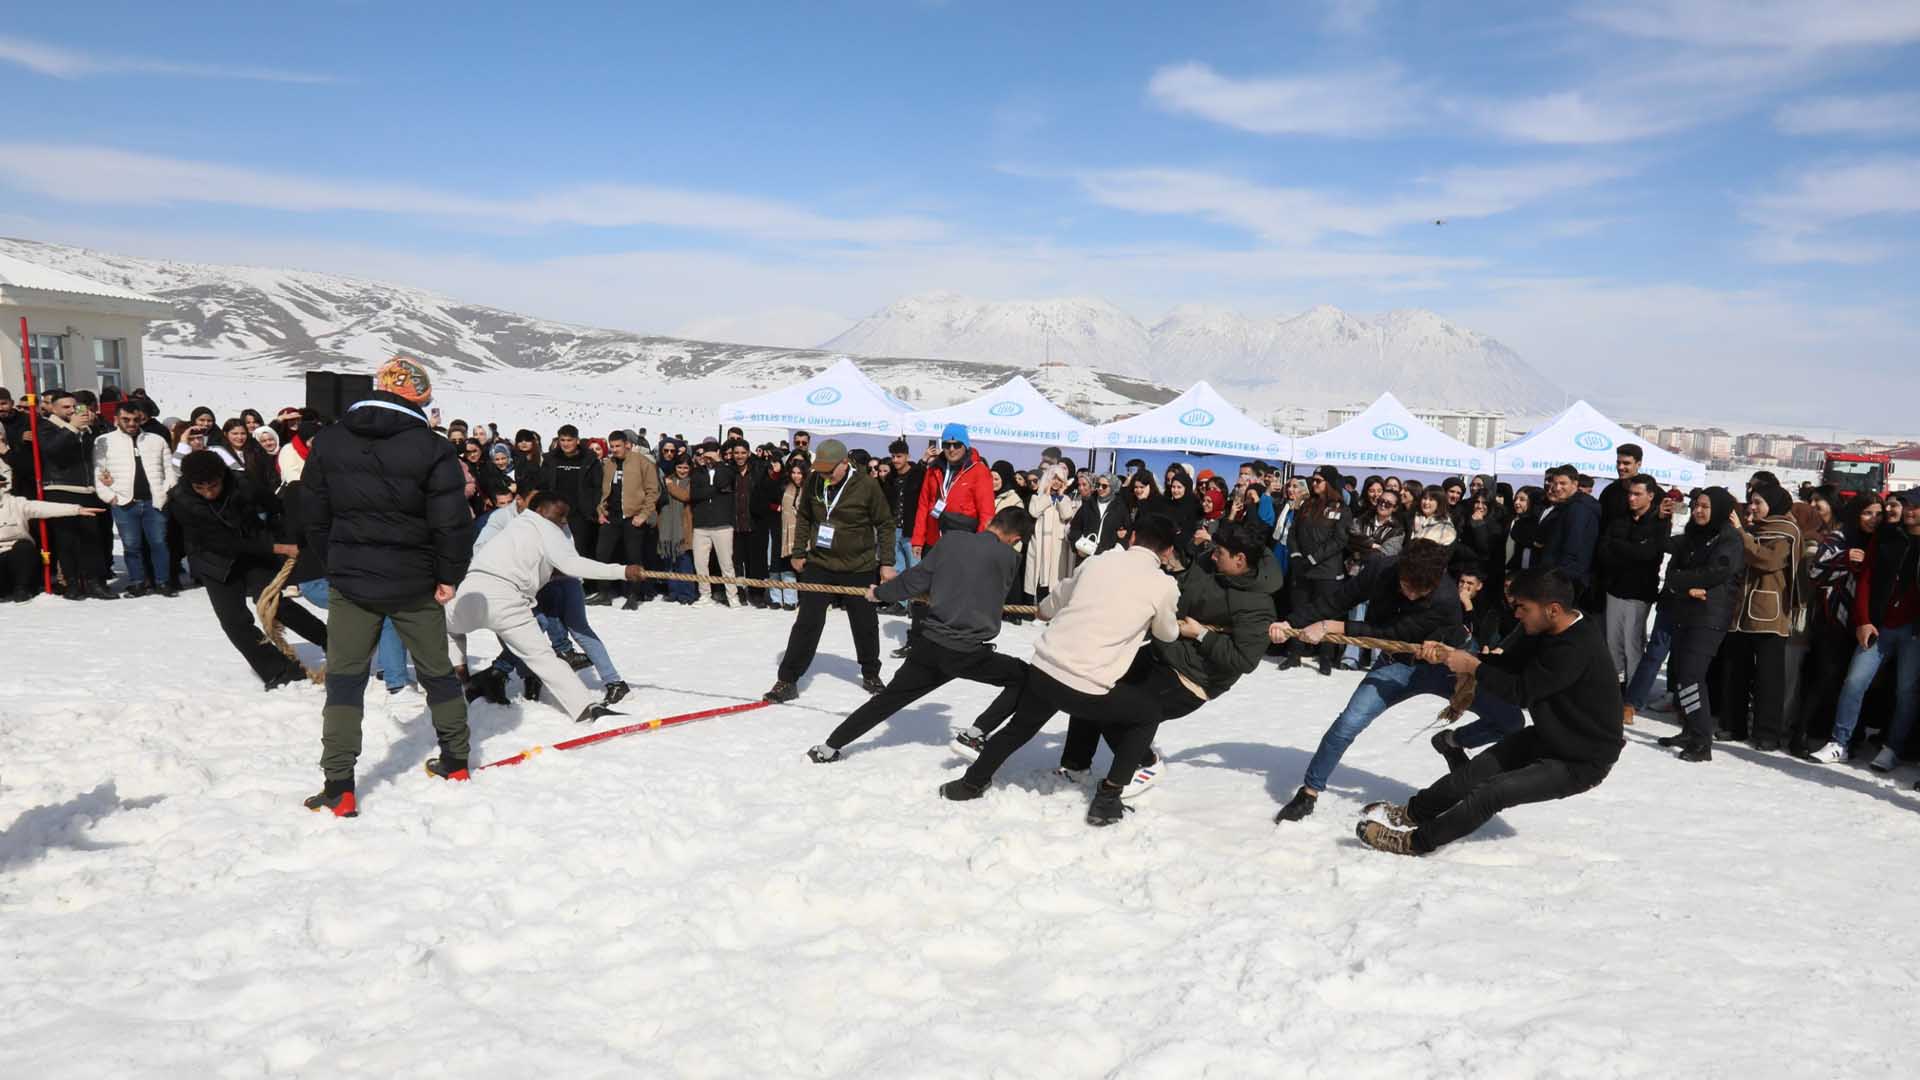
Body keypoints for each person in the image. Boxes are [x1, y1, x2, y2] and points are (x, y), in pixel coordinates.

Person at [300, 357, 474, 818]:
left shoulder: (331, 438)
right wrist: (449, 574)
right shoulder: (432, 447)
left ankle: (339, 786)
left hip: (352, 581)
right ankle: (456, 760)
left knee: (344, 681)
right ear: (419, 398)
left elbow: (311, 512)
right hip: (415, 581)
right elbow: (451, 521)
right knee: (437, 671)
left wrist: (334, 562)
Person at [1355, 569, 1623, 856]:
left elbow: (1522, 691)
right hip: (1550, 735)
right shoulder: (1544, 628)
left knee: (1493, 792)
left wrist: (1472, 666)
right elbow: (1509, 663)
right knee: (1472, 774)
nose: (1517, 615)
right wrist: (1453, 656)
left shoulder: (1578, 646)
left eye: (1523, 608)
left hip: (1581, 760)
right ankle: (1411, 813)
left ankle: (1412, 842)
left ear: (1553, 610)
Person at [940, 513, 1182, 827]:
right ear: (1166, 552)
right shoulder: (1163, 585)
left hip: (1044, 669)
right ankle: (1108, 798)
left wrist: (1044, 611)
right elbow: (1167, 633)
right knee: (1147, 713)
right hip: (1087, 687)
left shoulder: (1098, 562)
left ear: (1132, 537)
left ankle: (970, 784)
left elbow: (1051, 604)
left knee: (1019, 728)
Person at [1270, 539, 1509, 823]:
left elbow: (1394, 633)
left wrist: (1332, 627)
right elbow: (1338, 600)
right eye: (1407, 586)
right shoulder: (1381, 569)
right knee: (1347, 723)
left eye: (1421, 592)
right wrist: (1292, 622)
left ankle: (1453, 742)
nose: (1410, 596)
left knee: (1509, 721)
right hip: (1396, 665)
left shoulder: (1445, 596)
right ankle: (1308, 793)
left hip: (1444, 667)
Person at [808, 506, 1035, 762]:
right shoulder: (1008, 558)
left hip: (930, 645)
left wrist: (880, 594)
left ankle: (828, 748)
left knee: (887, 701)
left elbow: (915, 580)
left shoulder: (951, 541)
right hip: (967, 652)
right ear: (1015, 539)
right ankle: (975, 734)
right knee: (1025, 679)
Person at [447, 490, 643, 723]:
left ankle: (461, 677)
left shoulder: (515, 525)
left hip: (473, 592)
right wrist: (622, 571)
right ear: (540, 510)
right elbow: (573, 564)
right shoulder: (546, 528)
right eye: (559, 514)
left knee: (446, 626)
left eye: (566, 517)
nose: (563, 521)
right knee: (543, 657)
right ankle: (586, 708)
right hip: (506, 600)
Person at [170, 450, 329, 689]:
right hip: (214, 560)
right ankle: (278, 670)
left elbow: (276, 506)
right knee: (233, 621)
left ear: (223, 475)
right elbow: (219, 541)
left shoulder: (243, 483)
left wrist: (285, 534)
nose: (208, 493)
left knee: (273, 605)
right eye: (200, 488)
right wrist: (276, 547)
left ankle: (330, 640)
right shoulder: (181, 499)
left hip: (256, 555)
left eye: (213, 485)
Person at [764, 439, 897, 703]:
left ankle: (871, 673)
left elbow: (885, 524)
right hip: (820, 564)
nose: (824, 474)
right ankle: (787, 680)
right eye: (821, 469)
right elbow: (804, 517)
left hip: (858, 566)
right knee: (807, 622)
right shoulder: (814, 481)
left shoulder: (867, 485)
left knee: (865, 623)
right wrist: (799, 551)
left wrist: (887, 563)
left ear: (844, 463)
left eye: (829, 470)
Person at [1807, 490, 1920, 769]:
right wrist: (1863, 620)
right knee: (1855, 682)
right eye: (1907, 507)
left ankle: (1892, 747)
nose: (1908, 512)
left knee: (1906, 691)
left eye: (1915, 508)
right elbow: (1866, 581)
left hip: (1913, 630)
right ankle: (1839, 742)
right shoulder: (1887, 537)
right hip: (1877, 626)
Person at [1651, 489, 1745, 763]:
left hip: (1709, 617)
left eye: (1705, 506)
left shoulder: (1728, 539)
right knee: (1682, 674)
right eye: (1695, 506)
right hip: (1685, 611)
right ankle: (1689, 729)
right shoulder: (1693, 535)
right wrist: (1684, 585)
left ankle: (1702, 741)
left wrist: (1685, 581)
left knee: (1692, 676)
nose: (1698, 511)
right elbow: (1670, 563)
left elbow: (1717, 572)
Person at [1716, 485, 1803, 751]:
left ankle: (1767, 733)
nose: (1751, 507)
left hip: (1770, 614)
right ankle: (1734, 725)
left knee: (1768, 678)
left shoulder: (1785, 531)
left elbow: (1767, 560)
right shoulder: (1754, 529)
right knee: (1735, 670)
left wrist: (1741, 533)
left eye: (1758, 502)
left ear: (1773, 503)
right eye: (1750, 502)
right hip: (1741, 612)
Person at [93, 396, 180, 597]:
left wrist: (166, 491)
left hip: (154, 501)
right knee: (132, 545)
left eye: (135, 419)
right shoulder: (104, 441)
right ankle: (138, 582)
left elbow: (169, 468)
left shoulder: (156, 440)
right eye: (126, 419)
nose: (131, 424)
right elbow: (99, 471)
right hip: (124, 502)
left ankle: (163, 582)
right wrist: (109, 496)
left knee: (159, 543)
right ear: (116, 419)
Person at [1597, 474, 1665, 713]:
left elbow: (1648, 554)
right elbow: (1604, 549)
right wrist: (1630, 550)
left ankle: (1634, 696)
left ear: (1650, 495)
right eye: (1630, 493)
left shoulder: (1658, 521)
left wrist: (1623, 548)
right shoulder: (1619, 520)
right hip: (1615, 588)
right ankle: (1616, 687)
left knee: (1633, 643)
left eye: (1637, 494)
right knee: (1613, 643)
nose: (1632, 498)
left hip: (1639, 592)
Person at [37, 389, 114, 600]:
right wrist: (72, 428)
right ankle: (71, 583)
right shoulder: (45, 426)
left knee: (92, 537)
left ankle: (95, 582)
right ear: (52, 408)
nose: (72, 410)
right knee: (66, 539)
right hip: (59, 488)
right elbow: (53, 450)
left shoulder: (86, 427)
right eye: (66, 407)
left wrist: (93, 426)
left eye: (74, 406)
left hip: (87, 488)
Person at [1, 452, 102, 601]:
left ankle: (21, 589)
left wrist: (76, 509)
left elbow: (44, 508)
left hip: (16, 554)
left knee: (24, 548)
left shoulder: (16, 503)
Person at [1281, 465, 1349, 674]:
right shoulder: (1306, 505)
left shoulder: (1341, 509)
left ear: (1329, 483)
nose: (1314, 484)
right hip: (1303, 569)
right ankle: (1295, 653)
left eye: (1318, 480)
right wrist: (1296, 555)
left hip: (1327, 571)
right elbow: (1293, 533)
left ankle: (1326, 656)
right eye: (1313, 480)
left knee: (1326, 613)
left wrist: (1312, 558)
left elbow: (1339, 540)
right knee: (1299, 610)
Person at [591, 430, 660, 610]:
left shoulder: (642, 462)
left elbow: (653, 491)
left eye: (618, 446)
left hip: (633, 516)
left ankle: (634, 594)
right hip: (611, 516)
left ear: (626, 445)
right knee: (602, 554)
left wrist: (644, 515)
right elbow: (604, 491)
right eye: (612, 446)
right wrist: (601, 511)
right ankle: (604, 592)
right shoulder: (609, 464)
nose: (615, 450)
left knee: (634, 557)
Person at [537, 424, 602, 561]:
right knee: (554, 550)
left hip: (581, 513)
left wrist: (591, 508)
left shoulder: (589, 459)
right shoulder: (551, 459)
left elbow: (597, 486)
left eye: (569, 440)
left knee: (580, 552)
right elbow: (543, 484)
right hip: (555, 512)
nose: (566, 444)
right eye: (563, 440)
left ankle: (582, 582)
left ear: (577, 440)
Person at [1536, 465, 1601, 597]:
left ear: (1575, 484)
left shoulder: (1579, 508)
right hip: (1562, 575)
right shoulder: (1568, 505)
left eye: (1563, 483)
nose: (1557, 488)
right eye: (1555, 483)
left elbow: (1573, 546)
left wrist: (1558, 576)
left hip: (1566, 578)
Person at [688, 438, 736, 606]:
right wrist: (715, 491)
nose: (706, 459)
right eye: (704, 455)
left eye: (710, 455)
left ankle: (732, 596)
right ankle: (704, 594)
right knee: (700, 563)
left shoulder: (727, 469)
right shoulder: (697, 472)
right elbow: (695, 494)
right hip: (701, 524)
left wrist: (718, 463)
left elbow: (722, 482)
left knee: (726, 564)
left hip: (722, 524)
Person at [883, 438, 925, 574]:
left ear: (907, 456)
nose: (895, 460)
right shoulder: (889, 478)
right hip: (894, 531)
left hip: (912, 532)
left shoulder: (918, 474)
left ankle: (914, 597)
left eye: (899, 456)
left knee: (915, 570)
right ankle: (899, 596)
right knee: (896, 571)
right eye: (893, 456)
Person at [1598, 444, 1644, 526]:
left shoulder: (1654, 493)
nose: (1620, 467)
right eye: (1618, 463)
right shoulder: (1609, 491)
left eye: (1626, 463)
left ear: (1638, 464)